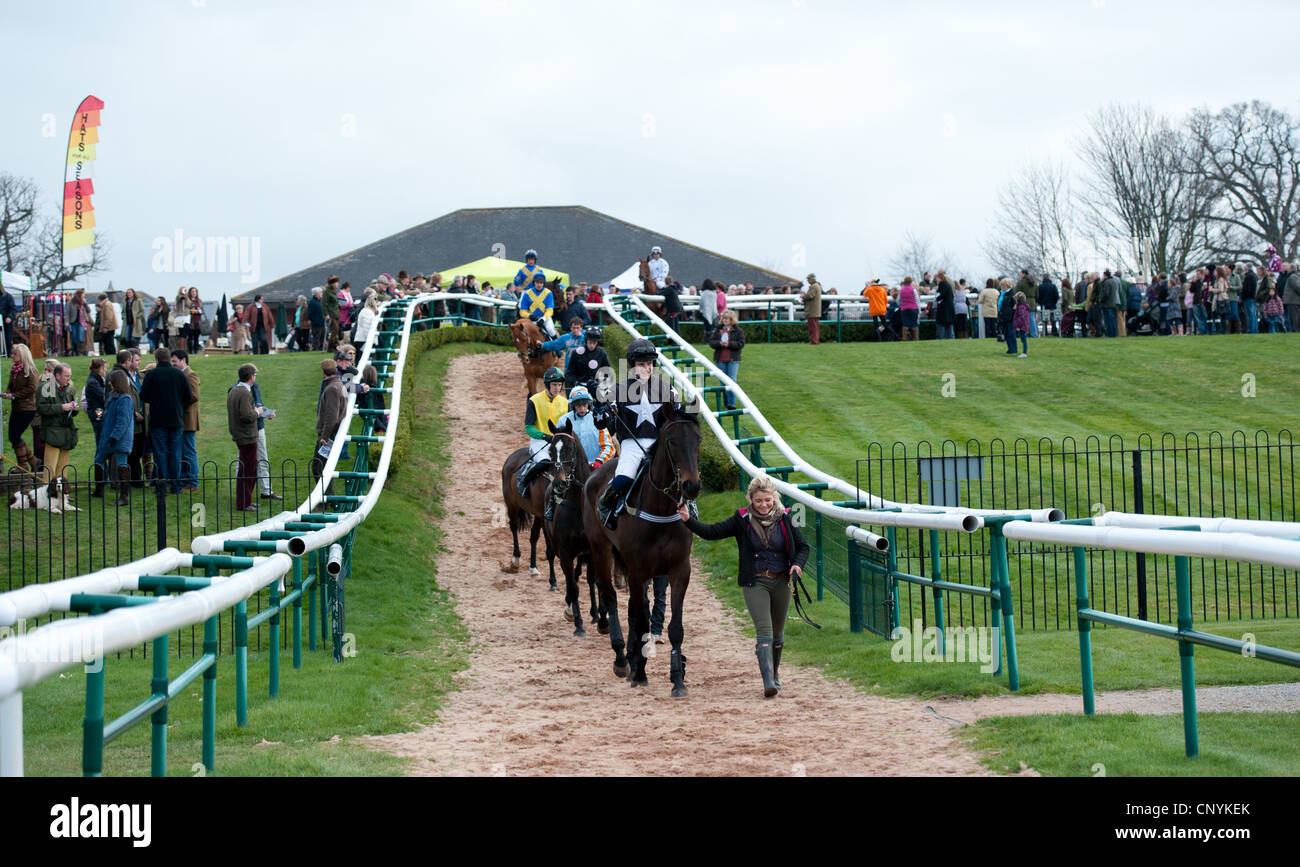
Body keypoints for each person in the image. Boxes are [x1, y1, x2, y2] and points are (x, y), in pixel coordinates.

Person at [676, 474, 809, 698]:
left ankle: (774, 674)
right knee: (764, 631)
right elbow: (712, 532)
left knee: (778, 634)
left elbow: (804, 547)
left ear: (774, 498)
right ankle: (768, 683)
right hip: (755, 581)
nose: (764, 505)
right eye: (758, 501)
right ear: (751, 499)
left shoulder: (786, 518)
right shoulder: (742, 519)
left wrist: (796, 565)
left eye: (767, 500)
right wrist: (689, 520)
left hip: (781, 582)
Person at [594, 338, 680, 528]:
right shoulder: (618, 390)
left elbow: (680, 415)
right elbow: (601, 424)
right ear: (633, 366)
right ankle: (606, 504)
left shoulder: (667, 388)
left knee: (682, 476)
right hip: (632, 444)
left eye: (649, 364)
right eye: (642, 364)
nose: (647, 368)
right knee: (625, 477)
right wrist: (600, 408)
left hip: (660, 444)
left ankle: (690, 506)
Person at [138, 346, 192, 493]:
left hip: (158, 419)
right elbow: (188, 396)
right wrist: (178, 405)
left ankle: (161, 485)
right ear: (169, 358)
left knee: (160, 453)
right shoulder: (178, 374)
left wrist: (155, 400)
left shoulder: (152, 375)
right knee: (175, 453)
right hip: (175, 418)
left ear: (156, 360)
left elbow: (143, 396)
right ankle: (176, 486)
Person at [517, 367, 569, 496]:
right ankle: (523, 481)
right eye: (554, 385)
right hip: (540, 442)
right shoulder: (534, 400)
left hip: (559, 443)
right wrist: (544, 436)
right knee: (545, 462)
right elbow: (528, 428)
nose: (557, 388)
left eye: (559, 385)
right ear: (547, 385)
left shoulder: (566, 403)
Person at [35, 362, 79, 492]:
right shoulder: (46, 388)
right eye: (66, 376)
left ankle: (62, 492)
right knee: (50, 467)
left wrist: (74, 409)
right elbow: (41, 408)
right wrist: (61, 407)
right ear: (57, 375)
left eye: (69, 376)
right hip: (52, 432)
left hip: (66, 432)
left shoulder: (69, 388)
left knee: (63, 467)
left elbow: (71, 410)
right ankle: (46, 493)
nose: (68, 379)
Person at [227, 363, 264, 512]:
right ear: (251, 377)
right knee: (248, 470)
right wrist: (258, 412)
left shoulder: (234, 390)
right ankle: (244, 503)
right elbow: (247, 416)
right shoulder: (244, 393)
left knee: (246, 469)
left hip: (240, 434)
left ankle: (246, 500)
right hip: (247, 436)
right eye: (254, 375)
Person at [97, 370, 135, 506]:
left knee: (121, 465)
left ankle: (124, 496)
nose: (109, 383)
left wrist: (114, 437)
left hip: (119, 439)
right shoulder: (113, 396)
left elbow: (122, 422)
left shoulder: (125, 399)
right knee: (99, 460)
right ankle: (99, 489)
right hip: (109, 437)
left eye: (111, 381)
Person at [312, 358, 348, 497]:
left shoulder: (332, 388)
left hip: (329, 435)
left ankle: (326, 499)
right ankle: (328, 498)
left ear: (323, 371)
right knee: (323, 467)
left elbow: (331, 416)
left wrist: (324, 437)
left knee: (318, 467)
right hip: (333, 433)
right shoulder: (339, 385)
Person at [2, 343, 39, 472]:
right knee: (13, 436)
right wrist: (8, 392)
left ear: (22, 355)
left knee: (15, 436)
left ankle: (23, 467)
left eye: (14, 354)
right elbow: (10, 386)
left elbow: (32, 388)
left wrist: (14, 395)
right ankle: (33, 461)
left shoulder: (31, 371)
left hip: (27, 408)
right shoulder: (15, 370)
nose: (12, 356)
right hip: (17, 407)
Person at [250, 369, 283, 501]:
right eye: (255, 375)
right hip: (247, 430)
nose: (255, 377)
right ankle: (243, 494)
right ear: (250, 376)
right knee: (243, 461)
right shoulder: (236, 390)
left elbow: (259, 404)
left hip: (258, 427)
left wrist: (266, 412)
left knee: (262, 458)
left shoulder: (254, 386)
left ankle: (266, 491)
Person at [171, 349, 201, 491]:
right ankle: (185, 479)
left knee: (189, 451)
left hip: (188, 419)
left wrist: (177, 404)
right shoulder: (181, 375)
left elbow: (194, 395)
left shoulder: (191, 375)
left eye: (175, 361)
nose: (173, 364)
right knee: (183, 451)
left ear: (183, 360)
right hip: (181, 418)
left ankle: (192, 482)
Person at [708, 309, 745, 410]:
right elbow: (711, 342)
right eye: (723, 318)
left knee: (732, 380)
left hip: (733, 359)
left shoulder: (738, 331)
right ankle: (726, 403)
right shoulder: (717, 330)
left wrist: (729, 344)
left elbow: (741, 344)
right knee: (723, 382)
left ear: (732, 320)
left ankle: (731, 404)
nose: (724, 320)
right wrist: (719, 343)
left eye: (727, 318)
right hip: (720, 359)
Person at [84, 357, 108, 496]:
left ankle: (103, 479)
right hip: (98, 417)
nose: (106, 371)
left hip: (99, 415)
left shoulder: (96, 381)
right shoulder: (94, 383)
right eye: (104, 368)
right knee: (101, 449)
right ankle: (101, 481)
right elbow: (103, 397)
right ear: (99, 369)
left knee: (102, 448)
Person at [564, 326, 610, 391]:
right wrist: (575, 383)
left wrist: (600, 383)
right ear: (586, 340)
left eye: (594, 343)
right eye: (590, 342)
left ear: (597, 342)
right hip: (579, 386)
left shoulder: (602, 354)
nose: (591, 345)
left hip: (596, 386)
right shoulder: (576, 353)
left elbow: (606, 372)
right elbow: (570, 373)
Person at [800, 273, 823, 345]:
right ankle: (815, 341)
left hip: (812, 310)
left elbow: (810, 296)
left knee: (813, 327)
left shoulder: (813, 286)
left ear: (812, 279)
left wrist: (803, 296)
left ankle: (814, 341)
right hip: (815, 310)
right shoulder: (817, 286)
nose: (807, 280)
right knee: (815, 327)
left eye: (808, 279)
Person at [934, 271, 955, 339]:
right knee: (948, 324)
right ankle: (949, 338)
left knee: (940, 324)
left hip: (943, 308)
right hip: (949, 307)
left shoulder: (942, 284)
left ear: (940, 278)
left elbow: (942, 294)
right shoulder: (948, 285)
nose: (936, 280)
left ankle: (940, 338)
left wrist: (937, 299)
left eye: (936, 278)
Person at [323, 275, 341, 351]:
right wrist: (326, 314)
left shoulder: (334, 292)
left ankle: (334, 345)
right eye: (336, 282)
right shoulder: (327, 292)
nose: (338, 284)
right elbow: (324, 303)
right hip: (331, 314)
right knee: (334, 330)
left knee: (336, 330)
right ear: (332, 283)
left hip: (336, 313)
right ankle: (331, 346)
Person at [1012, 292, 1030, 357]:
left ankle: (1024, 352)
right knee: (1023, 338)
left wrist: (1018, 326)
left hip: (1022, 325)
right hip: (1024, 324)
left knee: (1023, 339)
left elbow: (1021, 317)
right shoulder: (1024, 306)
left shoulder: (1021, 307)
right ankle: (1024, 352)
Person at [185, 287, 203, 352]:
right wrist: (191, 311)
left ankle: (196, 350)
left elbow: (202, 310)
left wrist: (199, 311)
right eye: (192, 291)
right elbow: (185, 310)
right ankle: (190, 351)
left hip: (197, 321)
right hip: (190, 321)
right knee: (190, 337)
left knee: (196, 337)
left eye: (195, 291)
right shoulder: (188, 300)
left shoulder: (199, 301)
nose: (194, 293)